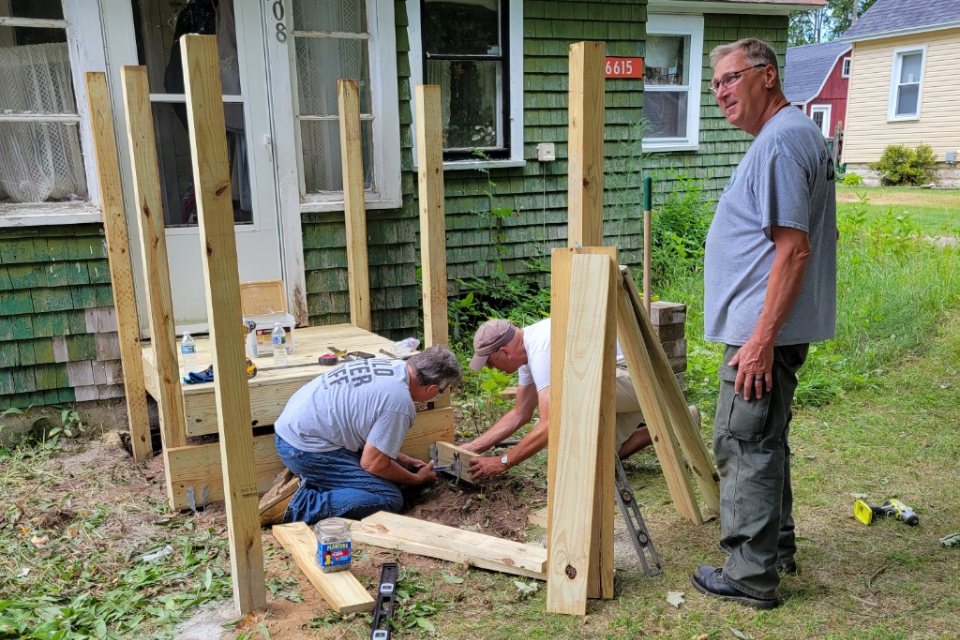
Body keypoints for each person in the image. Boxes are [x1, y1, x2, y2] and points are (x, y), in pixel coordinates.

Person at [691, 39, 837, 610]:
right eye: (716, 85)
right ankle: (774, 546)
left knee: (744, 443)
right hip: (767, 333)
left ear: (768, 77)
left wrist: (757, 342)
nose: (723, 92)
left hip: (761, 337)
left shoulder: (779, 143)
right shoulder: (792, 134)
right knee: (764, 439)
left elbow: (793, 251)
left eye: (732, 78)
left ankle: (750, 576)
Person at [258, 345, 463, 526]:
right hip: (304, 449)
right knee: (388, 497)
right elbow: (373, 464)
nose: (439, 396)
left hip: (296, 434)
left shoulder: (390, 368)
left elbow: (365, 431)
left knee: (384, 475)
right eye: (442, 392)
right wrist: (415, 479)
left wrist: (403, 459)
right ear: (432, 388)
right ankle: (298, 504)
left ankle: (308, 480)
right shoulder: (399, 403)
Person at [461, 318, 652, 481]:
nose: (492, 369)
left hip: (640, 379)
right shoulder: (528, 352)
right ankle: (658, 429)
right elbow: (520, 413)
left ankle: (659, 417)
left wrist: (503, 462)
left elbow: (550, 424)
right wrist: (472, 447)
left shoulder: (541, 350)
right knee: (591, 464)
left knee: (566, 391)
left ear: (505, 352)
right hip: (620, 381)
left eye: (490, 363)